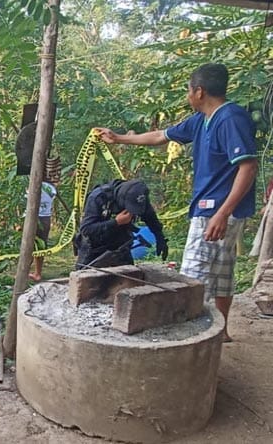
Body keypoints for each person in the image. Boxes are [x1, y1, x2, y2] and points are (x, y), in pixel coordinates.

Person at [97, 63, 257, 342]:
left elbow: (248, 167)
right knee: (222, 272)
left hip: (215, 212)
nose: (187, 95)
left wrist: (222, 213)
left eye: (188, 90)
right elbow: (161, 136)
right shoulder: (201, 120)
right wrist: (119, 138)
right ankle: (222, 333)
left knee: (192, 279)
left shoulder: (230, 118)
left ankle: (190, 338)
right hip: (215, 211)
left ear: (199, 91)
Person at [75, 179, 168, 270]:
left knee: (128, 277)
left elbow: (150, 217)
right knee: (86, 279)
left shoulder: (139, 197)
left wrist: (160, 237)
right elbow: (86, 229)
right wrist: (116, 222)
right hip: (94, 246)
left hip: (121, 245)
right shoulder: (98, 197)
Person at [29, 180, 57, 281]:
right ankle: (37, 273)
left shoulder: (32, 182)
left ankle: (28, 272)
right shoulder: (51, 187)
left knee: (29, 245)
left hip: (33, 216)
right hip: (45, 217)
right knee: (39, 246)